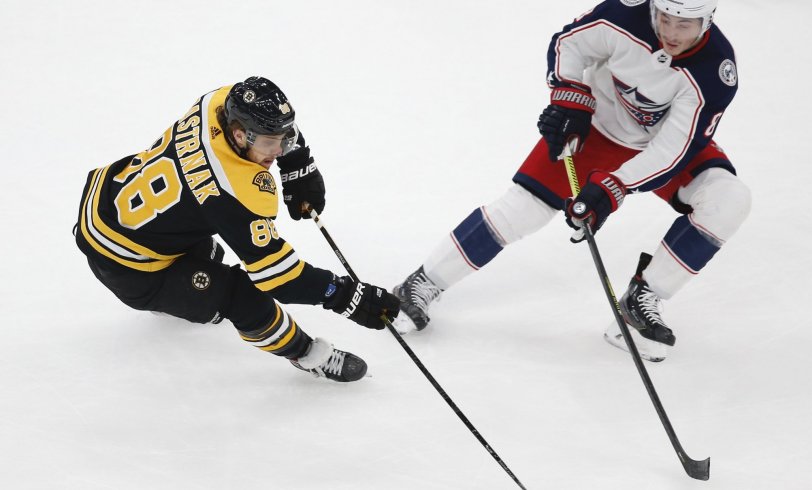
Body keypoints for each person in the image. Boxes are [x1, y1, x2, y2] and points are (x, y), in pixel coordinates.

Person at [393, 0, 750, 362]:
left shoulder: (715, 71)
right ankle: (425, 282)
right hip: (595, 131)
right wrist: (571, 100)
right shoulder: (623, 14)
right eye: (665, 18)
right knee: (523, 210)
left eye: (684, 25)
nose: (671, 32)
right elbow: (571, 43)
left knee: (728, 200)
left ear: (707, 20)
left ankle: (641, 301)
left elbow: (674, 149)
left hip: (660, 148)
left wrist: (612, 187)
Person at [74, 76, 400, 382]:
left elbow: (275, 126)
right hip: (127, 267)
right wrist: (346, 296)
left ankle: (183, 288)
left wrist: (298, 163)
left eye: (282, 142)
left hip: (109, 200)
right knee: (242, 297)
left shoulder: (216, 102)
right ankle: (307, 355)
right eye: (272, 144)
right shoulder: (238, 190)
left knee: (210, 254)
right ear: (240, 135)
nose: (278, 150)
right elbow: (281, 279)